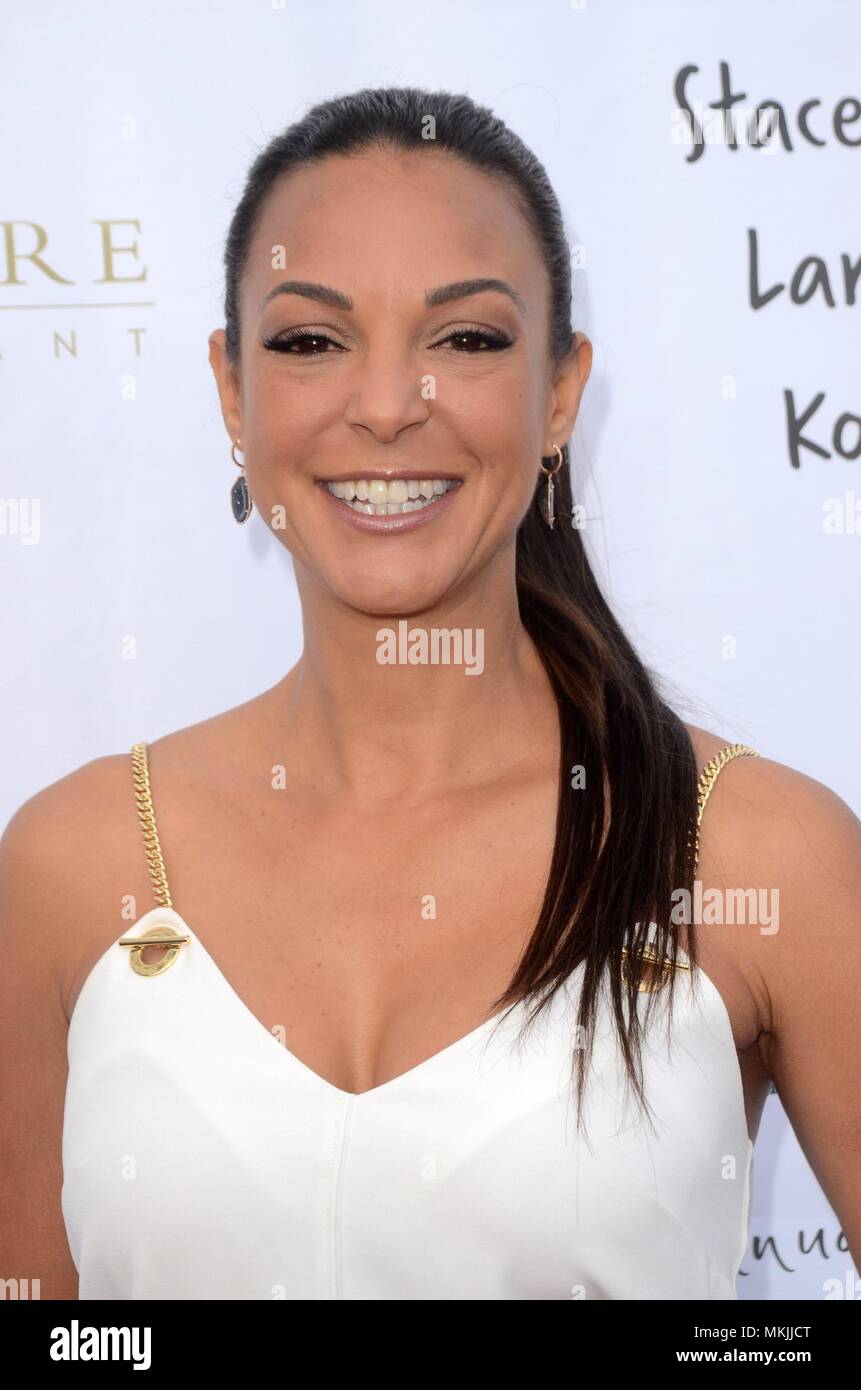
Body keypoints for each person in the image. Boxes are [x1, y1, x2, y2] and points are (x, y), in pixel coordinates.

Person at [1, 86, 859, 1301]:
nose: (387, 404)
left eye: (467, 339)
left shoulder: (756, 852)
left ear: (560, 393)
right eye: (312, 341)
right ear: (233, 391)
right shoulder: (71, 862)